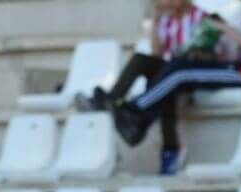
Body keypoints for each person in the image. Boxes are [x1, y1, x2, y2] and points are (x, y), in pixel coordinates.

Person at [112, 0, 241, 155]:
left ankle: (135, 109)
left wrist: (222, 27)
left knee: (180, 73)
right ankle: (139, 120)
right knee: (178, 68)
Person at [82, 0, 206, 175]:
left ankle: (138, 124)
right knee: (145, 64)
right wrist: (155, 21)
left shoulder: (201, 18)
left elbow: (205, 54)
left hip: (190, 75)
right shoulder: (167, 21)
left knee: (166, 86)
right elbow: (157, 54)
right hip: (170, 75)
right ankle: (114, 101)